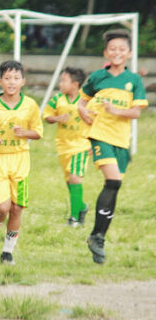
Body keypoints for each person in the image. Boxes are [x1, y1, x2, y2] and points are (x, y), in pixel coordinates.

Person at [78, 29, 148, 264]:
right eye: (112, 49)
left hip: (122, 141)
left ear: (128, 53)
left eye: (121, 49)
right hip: (100, 135)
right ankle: (97, 236)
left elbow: (136, 112)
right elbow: (82, 100)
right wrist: (82, 111)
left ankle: (98, 236)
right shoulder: (98, 76)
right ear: (106, 52)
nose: (117, 52)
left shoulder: (134, 80)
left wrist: (116, 110)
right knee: (114, 181)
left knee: (113, 185)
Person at [0, 60, 43, 265]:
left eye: (16, 78)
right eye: (7, 78)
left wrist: (26, 133)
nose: (11, 82)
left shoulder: (30, 105)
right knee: (3, 207)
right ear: (0, 81)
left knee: (16, 208)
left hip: (20, 160)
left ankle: (7, 252)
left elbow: (38, 132)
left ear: (23, 81)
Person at [42, 67, 91, 227]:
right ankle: (82, 207)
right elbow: (47, 116)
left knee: (75, 178)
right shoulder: (57, 99)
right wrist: (57, 118)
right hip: (63, 146)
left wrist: (94, 142)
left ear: (75, 84)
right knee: (69, 181)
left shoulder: (87, 100)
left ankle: (74, 217)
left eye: (64, 80)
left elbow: (96, 121)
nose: (60, 83)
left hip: (81, 145)